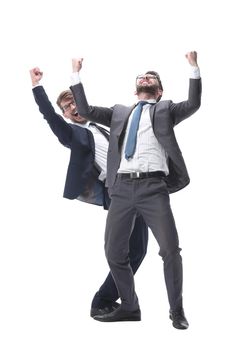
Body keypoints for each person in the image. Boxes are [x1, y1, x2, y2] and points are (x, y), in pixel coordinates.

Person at [70, 51, 202, 329]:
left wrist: (193, 67)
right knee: (114, 252)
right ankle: (130, 306)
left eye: (152, 77)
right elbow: (86, 111)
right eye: (142, 76)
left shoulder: (166, 109)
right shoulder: (119, 113)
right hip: (121, 189)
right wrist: (76, 75)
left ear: (159, 89)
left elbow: (193, 103)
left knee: (169, 250)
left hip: (154, 188)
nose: (146, 77)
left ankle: (176, 311)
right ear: (135, 88)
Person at [29, 68, 148, 318]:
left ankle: (109, 301)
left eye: (73, 101)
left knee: (137, 250)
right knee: (126, 250)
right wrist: (37, 87)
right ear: (65, 115)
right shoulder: (74, 134)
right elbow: (50, 117)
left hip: (139, 188)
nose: (71, 107)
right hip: (120, 194)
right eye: (66, 106)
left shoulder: (105, 126)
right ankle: (105, 301)